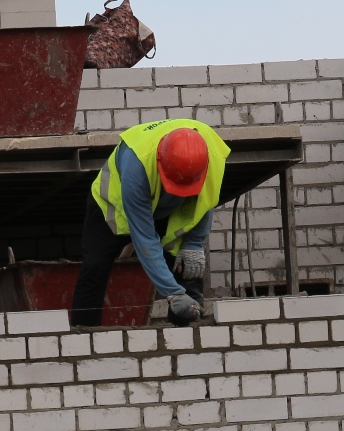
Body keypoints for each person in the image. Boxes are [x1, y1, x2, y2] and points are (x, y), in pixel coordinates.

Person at [73, 118, 228, 328]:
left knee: (186, 266)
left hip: (167, 208)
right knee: (95, 268)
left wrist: (194, 243)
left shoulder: (214, 154)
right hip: (112, 206)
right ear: (160, 162)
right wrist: (173, 293)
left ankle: (187, 334)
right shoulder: (136, 165)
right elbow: (145, 239)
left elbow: (206, 201)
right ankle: (85, 334)